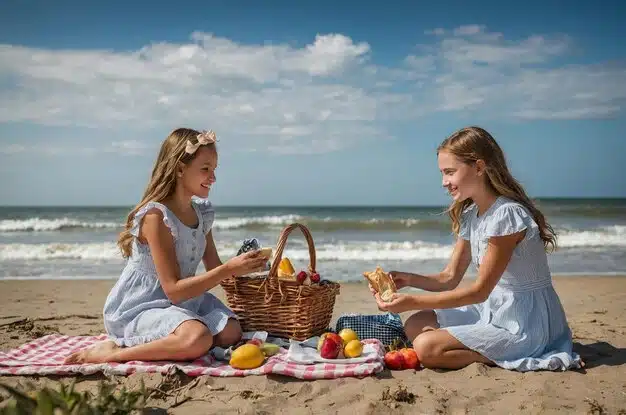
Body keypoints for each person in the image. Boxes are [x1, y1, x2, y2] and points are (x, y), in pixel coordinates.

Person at [370, 126, 582, 372]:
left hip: (525, 321)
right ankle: (486, 347)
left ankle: (501, 356)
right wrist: (407, 279)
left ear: (479, 167)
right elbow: (449, 278)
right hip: (495, 308)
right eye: (442, 173)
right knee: (415, 324)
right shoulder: (473, 215)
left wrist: (411, 301)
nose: (444, 182)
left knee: (427, 348)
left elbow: (480, 291)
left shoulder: (507, 215)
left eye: (450, 172)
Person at [64, 128, 268, 364]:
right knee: (199, 338)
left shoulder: (201, 214)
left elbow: (216, 268)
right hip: (144, 305)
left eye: (214, 169)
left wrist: (248, 268)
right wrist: (228, 269)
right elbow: (173, 289)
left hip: (184, 301)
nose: (213, 178)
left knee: (232, 331)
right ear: (180, 169)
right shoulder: (156, 217)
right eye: (205, 169)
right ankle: (114, 354)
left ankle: (175, 341)